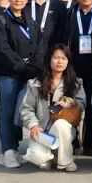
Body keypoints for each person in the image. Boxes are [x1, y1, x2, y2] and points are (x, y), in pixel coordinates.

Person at [0, 0, 47, 169]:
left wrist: (35, 66)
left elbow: (40, 45)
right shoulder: (1, 20)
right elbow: (2, 48)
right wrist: (22, 66)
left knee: (20, 110)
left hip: (28, 73)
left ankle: (14, 148)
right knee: (7, 111)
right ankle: (7, 151)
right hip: (8, 73)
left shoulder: (30, 21)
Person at [54, 0, 92, 155]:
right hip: (72, 66)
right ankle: (72, 141)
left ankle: (90, 143)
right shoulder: (68, 13)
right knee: (70, 102)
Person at [20, 44, 86, 172]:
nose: (59, 61)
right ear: (49, 59)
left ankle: (65, 161)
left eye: (63, 58)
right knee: (40, 159)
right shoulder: (35, 83)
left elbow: (82, 103)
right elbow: (26, 108)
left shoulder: (76, 83)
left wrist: (69, 101)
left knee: (61, 124)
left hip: (64, 130)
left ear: (68, 61)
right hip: (41, 131)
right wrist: (33, 126)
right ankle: (51, 156)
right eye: (56, 57)